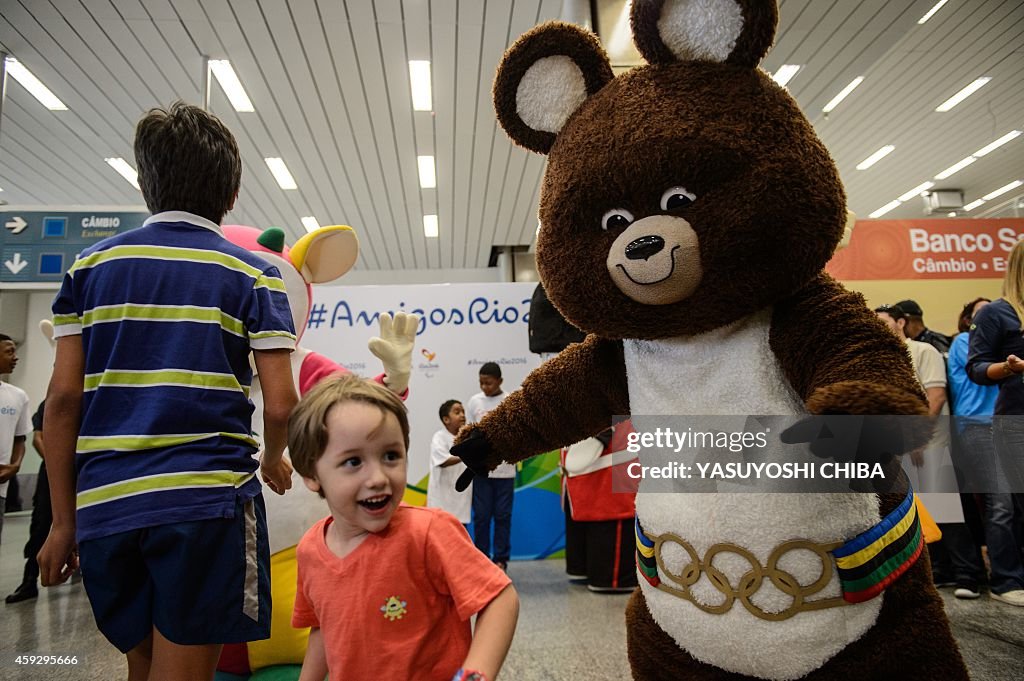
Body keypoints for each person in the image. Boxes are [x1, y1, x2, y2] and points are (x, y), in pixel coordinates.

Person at [37, 101, 299, 681]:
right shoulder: (252, 273)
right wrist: (275, 455)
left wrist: (62, 523)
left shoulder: (89, 267)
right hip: (205, 503)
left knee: (144, 666)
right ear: (231, 195)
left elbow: (61, 403)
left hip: (107, 506)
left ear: (145, 183)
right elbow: (282, 402)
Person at [287, 375, 518, 681]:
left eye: (391, 456)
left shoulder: (430, 532)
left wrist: (475, 674)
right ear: (311, 474)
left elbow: (499, 597)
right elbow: (323, 627)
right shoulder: (310, 550)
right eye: (354, 461)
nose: (379, 477)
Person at [966, 238, 1024, 607]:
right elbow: (976, 367)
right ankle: (1006, 581)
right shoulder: (997, 314)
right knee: (1006, 506)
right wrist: (1007, 367)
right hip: (1014, 422)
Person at [465, 362, 515, 569]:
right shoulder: (474, 402)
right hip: (481, 471)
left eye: (489, 383)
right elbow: (469, 432)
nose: (485, 387)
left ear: (500, 381)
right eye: (481, 383)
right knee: (482, 516)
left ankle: (501, 559)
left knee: (503, 516)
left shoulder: (509, 401)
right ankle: (482, 558)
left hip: (505, 470)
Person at [6, 400, 49, 603]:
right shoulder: (49, 402)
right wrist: (58, 463)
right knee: (40, 525)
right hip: (52, 473)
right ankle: (29, 579)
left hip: (85, 470)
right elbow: (37, 438)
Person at [0, 334, 32, 544]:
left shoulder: (18, 396)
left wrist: (15, 465)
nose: (15, 357)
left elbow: (20, 438)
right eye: (9, 352)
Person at [427, 399, 472, 527]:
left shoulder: (468, 438)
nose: (462, 415)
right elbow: (443, 461)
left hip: (461, 503)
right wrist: (466, 454)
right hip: (442, 503)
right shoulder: (439, 437)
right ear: (446, 419)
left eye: (463, 412)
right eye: (457, 412)